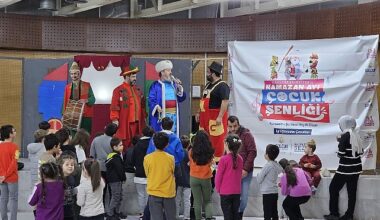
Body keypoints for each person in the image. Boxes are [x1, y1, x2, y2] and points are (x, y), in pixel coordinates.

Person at [324, 115, 363, 220]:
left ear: (343, 124)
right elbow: (360, 151)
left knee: (333, 188)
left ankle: (334, 213)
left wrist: (340, 142)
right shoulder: (356, 135)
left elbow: (341, 154)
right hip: (357, 168)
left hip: (345, 169)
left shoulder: (345, 136)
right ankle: (349, 215)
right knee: (352, 193)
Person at [197, 61, 229, 158]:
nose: (207, 74)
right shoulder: (208, 85)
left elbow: (225, 102)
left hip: (215, 119)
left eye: (208, 72)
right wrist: (198, 112)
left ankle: (217, 161)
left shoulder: (223, 86)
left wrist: (220, 117)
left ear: (214, 73)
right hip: (204, 118)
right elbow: (203, 100)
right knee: (204, 139)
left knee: (216, 140)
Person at [227, 116, 257, 218]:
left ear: (238, 124)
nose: (233, 129)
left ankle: (239, 214)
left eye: (235, 126)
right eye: (230, 126)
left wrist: (245, 169)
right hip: (232, 172)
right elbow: (226, 153)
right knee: (233, 197)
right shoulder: (228, 136)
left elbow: (252, 152)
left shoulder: (246, 135)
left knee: (243, 198)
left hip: (245, 172)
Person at [110, 65, 146, 150]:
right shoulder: (118, 90)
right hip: (125, 124)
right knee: (125, 146)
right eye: (133, 76)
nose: (135, 78)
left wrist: (144, 117)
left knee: (138, 146)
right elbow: (114, 107)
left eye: (135, 76)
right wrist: (115, 119)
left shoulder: (138, 90)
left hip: (138, 124)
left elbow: (143, 106)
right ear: (126, 76)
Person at [143, 132, 176, 220]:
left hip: (154, 191)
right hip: (168, 192)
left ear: (153, 143)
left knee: (155, 217)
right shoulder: (171, 158)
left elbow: (147, 174)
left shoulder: (147, 158)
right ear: (167, 145)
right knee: (171, 217)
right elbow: (173, 172)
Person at [148, 60, 186, 135]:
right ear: (162, 72)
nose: (170, 72)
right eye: (168, 70)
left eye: (170, 70)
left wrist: (179, 88)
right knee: (163, 136)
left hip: (174, 116)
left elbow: (181, 99)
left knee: (173, 134)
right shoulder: (155, 85)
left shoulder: (174, 85)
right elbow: (151, 99)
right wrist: (156, 106)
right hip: (163, 115)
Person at [147, 117, 184, 185]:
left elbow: (149, 152)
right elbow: (180, 155)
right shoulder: (176, 139)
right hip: (173, 166)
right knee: (172, 186)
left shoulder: (155, 138)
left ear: (161, 126)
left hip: (157, 166)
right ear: (172, 126)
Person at [215, 134, 244, 220]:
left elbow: (218, 176)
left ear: (227, 144)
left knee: (227, 216)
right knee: (235, 215)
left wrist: (218, 189)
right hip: (237, 192)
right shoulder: (240, 159)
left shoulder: (223, 159)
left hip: (225, 192)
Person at [63, 61, 96, 134]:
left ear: (79, 74)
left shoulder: (87, 85)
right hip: (72, 116)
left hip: (85, 116)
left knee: (85, 136)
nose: (73, 76)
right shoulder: (67, 87)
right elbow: (65, 102)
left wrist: (86, 100)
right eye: (71, 74)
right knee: (74, 137)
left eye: (75, 73)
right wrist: (64, 115)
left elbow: (93, 99)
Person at [90, 123, 118, 207]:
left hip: (99, 168)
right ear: (114, 133)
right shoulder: (114, 141)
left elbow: (92, 155)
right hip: (111, 168)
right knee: (112, 190)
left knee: (101, 190)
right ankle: (111, 210)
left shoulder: (96, 140)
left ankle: (100, 208)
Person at [189, 130, 215, 220]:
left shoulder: (191, 151)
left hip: (193, 178)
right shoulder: (210, 151)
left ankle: (198, 218)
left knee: (197, 201)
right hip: (206, 178)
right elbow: (212, 164)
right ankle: (209, 217)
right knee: (208, 201)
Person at [131, 126, 155, 218]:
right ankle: (150, 213)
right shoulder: (154, 144)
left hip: (139, 174)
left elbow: (132, 159)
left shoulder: (137, 145)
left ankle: (142, 213)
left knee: (141, 195)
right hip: (151, 174)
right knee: (151, 196)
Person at [257, 144, 282, 220]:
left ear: (267, 155)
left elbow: (259, 179)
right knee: (274, 212)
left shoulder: (267, 166)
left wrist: (258, 174)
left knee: (267, 214)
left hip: (267, 193)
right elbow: (281, 170)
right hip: (274, 192)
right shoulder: (277, 165)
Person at [0, 125, 19, 220]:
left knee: (3, 199)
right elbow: (14, 163)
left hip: (1, 178)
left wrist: (2, 176)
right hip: (12, 177)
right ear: (10, 134)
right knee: (13, 199)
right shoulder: (15, 147)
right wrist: (6, 175)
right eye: (14, 131)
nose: (15, 132)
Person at [106, 137, 126, 220]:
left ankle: (117, 212)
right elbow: (120, 169)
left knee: (119, 196)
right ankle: (110, 214)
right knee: (116, 196)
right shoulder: (115, 157)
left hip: (116, 180)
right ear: (114, 147)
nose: (122, 146)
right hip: (115, 180)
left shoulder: (113, 156)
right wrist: (123, 177)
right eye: (120, 145)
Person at [57, 154, 79, 220]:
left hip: (70, 211)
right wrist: (78, 189)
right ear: (61, 166)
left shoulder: (72, 178)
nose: (70, 166)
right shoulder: (58, 179)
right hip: (59, 212)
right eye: (67, 165)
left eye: (72, 165)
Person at [175, 135, 191, 220]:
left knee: (177, 200)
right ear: (188, 144)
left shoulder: (177, 153)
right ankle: (186, 217)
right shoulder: (189, 154)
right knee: (187, 200)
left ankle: (176, 216)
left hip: (178, 179)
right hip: (187, 180)